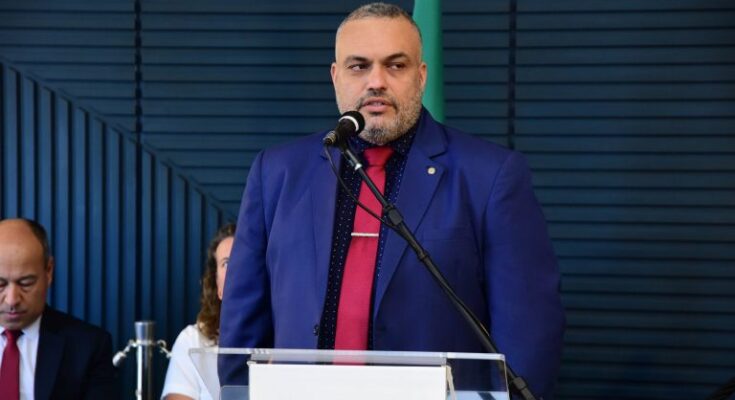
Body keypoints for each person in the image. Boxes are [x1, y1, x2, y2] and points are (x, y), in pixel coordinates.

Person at [220, 2, 565, 398]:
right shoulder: (277, 172)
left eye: (395, 65)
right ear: (335, 76)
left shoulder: (490, 176)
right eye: (358, 66)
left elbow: (528, 332)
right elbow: (241, 326)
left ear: (421, 75)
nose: (376, 82)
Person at [0, 218, 117, 400]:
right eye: (0, 284)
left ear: (49, 271)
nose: (12, 299)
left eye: (26, 283)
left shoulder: (89, 347)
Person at [161, 223, 235, 400]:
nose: (236, 270)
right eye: (226, 263)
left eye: (244, 260)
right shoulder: (193, 340)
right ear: (217, 284)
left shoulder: (283, 337)